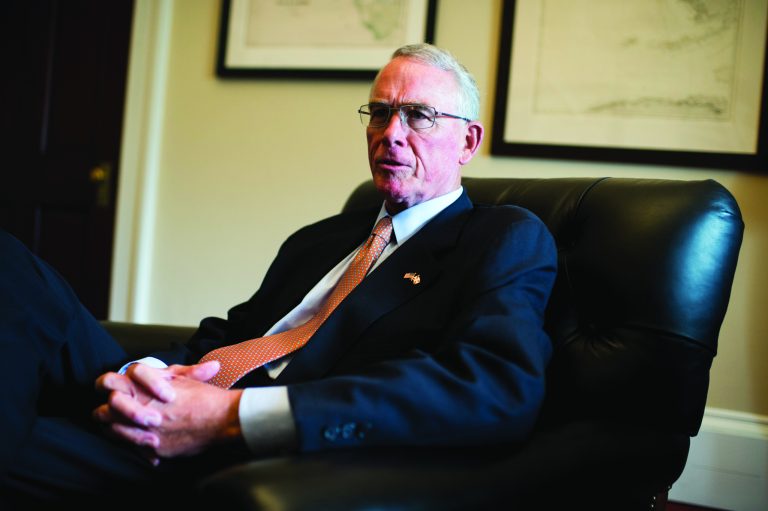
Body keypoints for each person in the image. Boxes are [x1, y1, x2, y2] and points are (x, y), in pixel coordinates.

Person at [0, 43, 557, 506]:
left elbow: (494, 388)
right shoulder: (322, 238)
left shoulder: (501, 236)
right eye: (380, 112)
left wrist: (232, 416)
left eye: (419, 115)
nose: (391, 132)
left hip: (256, 448)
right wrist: (144, 374)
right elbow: (227, 337)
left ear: (468, 142)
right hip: (181, 400)